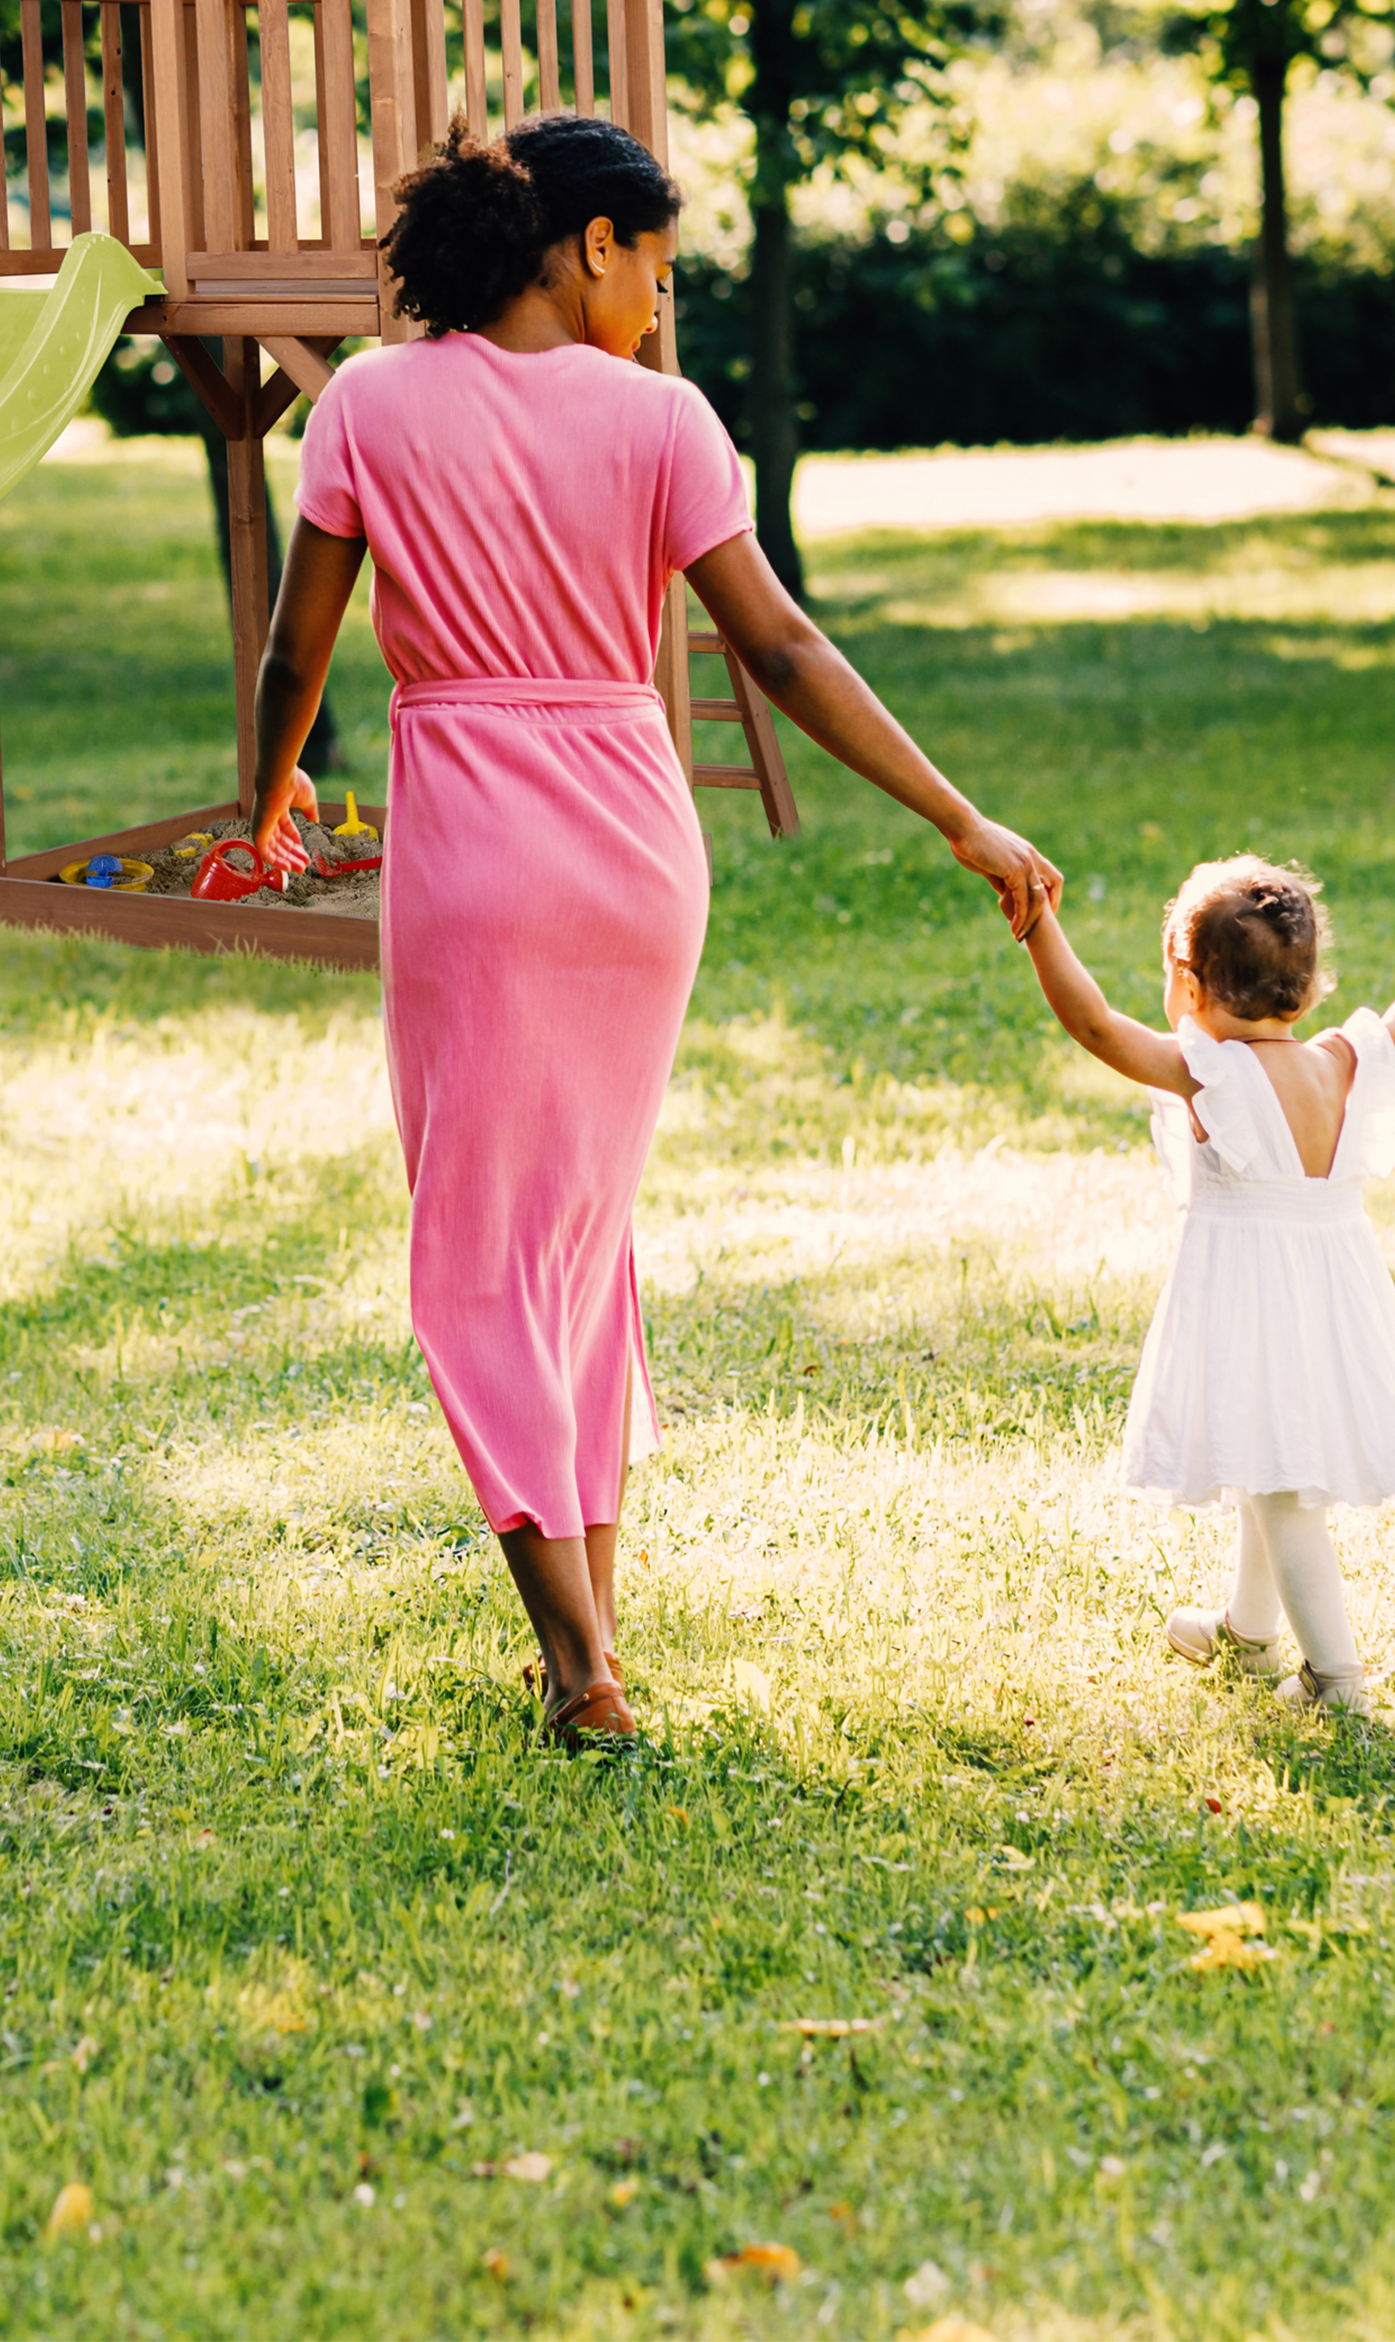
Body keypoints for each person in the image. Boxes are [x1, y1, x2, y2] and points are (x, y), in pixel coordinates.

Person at [245, 116, 1061, 1747]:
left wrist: (261, 801)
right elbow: (780, 650)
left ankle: (575, 1664)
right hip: (634, 855)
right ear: (587, 244)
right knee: (575, 1242)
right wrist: (957, 813)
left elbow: (297, 653)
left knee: (482, 1254)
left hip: (475, 855)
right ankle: (591, 1637)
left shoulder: (368, 403)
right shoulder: (666, 424)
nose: (662, 309)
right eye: (659, 271)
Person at [1016, 853, 1395, 1711]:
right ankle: (1248, 1633)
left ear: (1190, 987)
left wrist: (1038, 925)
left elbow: (1094, 1024)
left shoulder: (1210, 1074)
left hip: (1255, 1304)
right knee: (1263, 1458)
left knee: (1282, 1492)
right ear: (1309, 989)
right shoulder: (1343, 1059)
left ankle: (1336, 1680)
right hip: (1332, 1300)